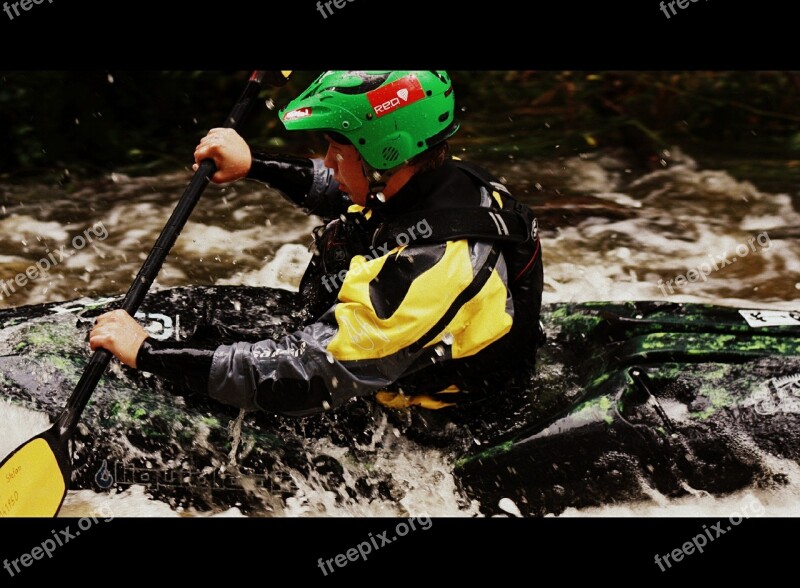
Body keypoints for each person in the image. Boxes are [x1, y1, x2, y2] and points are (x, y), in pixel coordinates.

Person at [89, 70, 544, 417]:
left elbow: (305, 372)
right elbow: (347, 190)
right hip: (386, 350)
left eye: (337, 150)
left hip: (434, 416)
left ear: (384, 156)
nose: (327, 162)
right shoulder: (432, 180)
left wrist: (147, 353)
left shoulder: (432, 272)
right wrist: (255, 164)